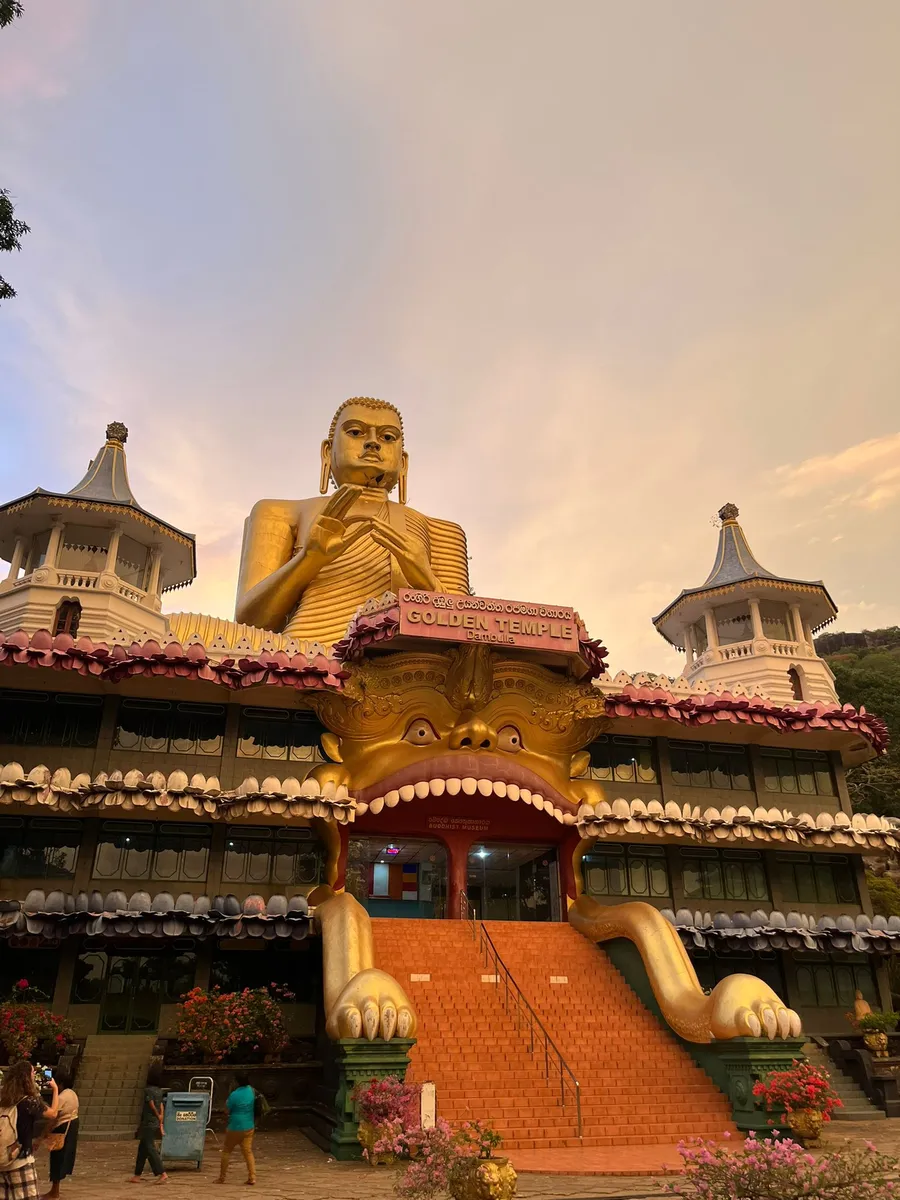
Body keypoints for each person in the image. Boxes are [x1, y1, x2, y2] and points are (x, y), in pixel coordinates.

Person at [0, 1060, 57, 1200]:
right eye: (32, 1072)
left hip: (2, 1159)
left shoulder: (4, 1100)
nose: (34, 1075)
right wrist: (55, 1089)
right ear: (27, 1077)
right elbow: (53, 1113)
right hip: (21, 1160)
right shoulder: (29, 1102)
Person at [40, 1067, 79, 1200]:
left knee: (57, 1159)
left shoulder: (61, 1097)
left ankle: (54, 1191)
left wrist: (43, 1135)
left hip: (62, 1128)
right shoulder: (72, 1093)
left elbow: (53, 1116)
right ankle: (54, 1190)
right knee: (62, 1158)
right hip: (72, 1126)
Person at [216, 1072, 256, 1187]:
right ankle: (252, 1177)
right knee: (248, 1152)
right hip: (249, 1126)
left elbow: (226, 1111)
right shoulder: (251, 1091)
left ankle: (222, 1177)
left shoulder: (234, 1095)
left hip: (235, 1127)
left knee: (227, 1151)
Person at [130, 1066, 167, 1184]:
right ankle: (137, 1175)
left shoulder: (148, 1090)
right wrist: (161, 1118)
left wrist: (157, 1115)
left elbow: (151, 1104)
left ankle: (162, 1173)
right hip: (155, 1123)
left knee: (150, 1148)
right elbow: (161, 1105)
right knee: (143, 1149)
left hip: (148, 1122)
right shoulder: (159, 1091)